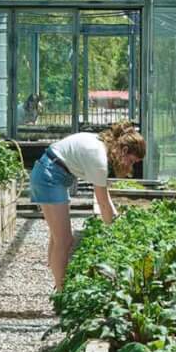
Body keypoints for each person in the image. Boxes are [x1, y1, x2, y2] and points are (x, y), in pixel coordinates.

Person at [30, 122, 147, 290]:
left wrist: (117, 221)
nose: (131, 167)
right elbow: (103, 204)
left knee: (57, 237)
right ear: (124, 150)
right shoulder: (98, 158)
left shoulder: (101, 144)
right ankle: (62, 293)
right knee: (64, 240)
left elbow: (105, 201)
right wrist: (117, 234)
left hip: (51, 172)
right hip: (50, 176)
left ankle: (57, 283)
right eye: (132, 161)